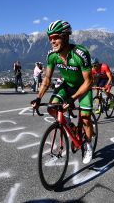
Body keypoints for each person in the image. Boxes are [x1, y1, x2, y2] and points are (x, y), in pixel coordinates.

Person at [31, 20, 94, 164]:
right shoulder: (52, 56)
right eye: (50, 38)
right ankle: (69, 124)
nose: (52, 41)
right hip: (67, 86)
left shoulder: (80, 53)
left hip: (83, 87)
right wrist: (38, 98)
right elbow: (46, 79)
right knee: (51, 108)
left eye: (56, 37)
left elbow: (89, 81)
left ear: (66, 37)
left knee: (85, 118)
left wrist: (72, 99)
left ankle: (88, 145)